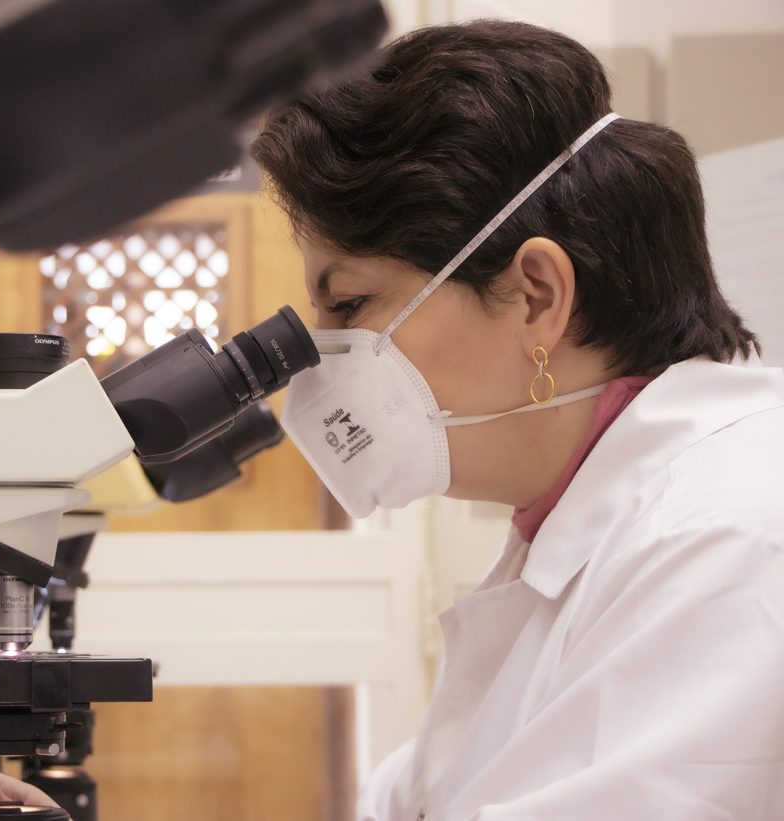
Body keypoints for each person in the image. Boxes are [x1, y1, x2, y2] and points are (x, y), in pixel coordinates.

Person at [252, 19, 784, 821]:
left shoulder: (733, 535)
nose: (321, 359)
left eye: (351, 304)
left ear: (537, 295)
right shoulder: (567, 538)